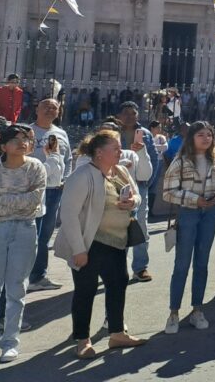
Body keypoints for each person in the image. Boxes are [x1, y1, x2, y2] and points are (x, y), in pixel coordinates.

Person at [54, 129, 146, 358]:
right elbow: (69, 215)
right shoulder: (82, 175)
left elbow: (137, 195)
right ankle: (82, 340)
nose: (120, 151)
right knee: (85, 290)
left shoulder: (121, 171)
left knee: (118, 284)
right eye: (114, 148)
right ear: (98, 152)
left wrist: (133, 201)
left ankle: (117, 333)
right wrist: (78, 249)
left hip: (116, 242)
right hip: (89, 243)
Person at [162, 122, 215, 334]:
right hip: (189, 213)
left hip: (210, 213)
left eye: (209, 135)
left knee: (202, 263)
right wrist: (194, 199)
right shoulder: (181, 162)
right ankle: (174, 312)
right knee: (182, 264)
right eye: (200, 135)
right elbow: (168, 192)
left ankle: (197, 309)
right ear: (191, 138)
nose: (205, 138)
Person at [0, 123, 45, 363]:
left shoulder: (36, 167)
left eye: (25, 138)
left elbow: (34, 201)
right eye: (16, 139)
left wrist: (5, 200)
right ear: (4, 145)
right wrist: (19, 199)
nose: (22, 143)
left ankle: (10, 342)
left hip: (26, 229)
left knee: (16, 288)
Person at [26, 98, 71, 292]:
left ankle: (39, 275)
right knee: (31, 235)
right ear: (37, 108)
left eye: (55, 108)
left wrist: (65, 179)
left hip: (55, 190)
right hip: (34, 189)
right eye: (46, 107)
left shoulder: (61, 133)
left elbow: (67, 158)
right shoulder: (28, 131)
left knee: (45, 235)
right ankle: (24, 275)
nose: (50, 110)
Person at [118, 101, 158, 282]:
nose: (129, 116)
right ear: (119, 115)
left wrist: (148, 182)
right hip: (117, 183)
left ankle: (140, 267)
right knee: (119, 226)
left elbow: (153, 159)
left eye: (133, 113)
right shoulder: (113, 132)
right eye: (125, 113)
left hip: (140, 184)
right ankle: (118, 266)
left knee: (141, 226)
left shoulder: (146, 134)